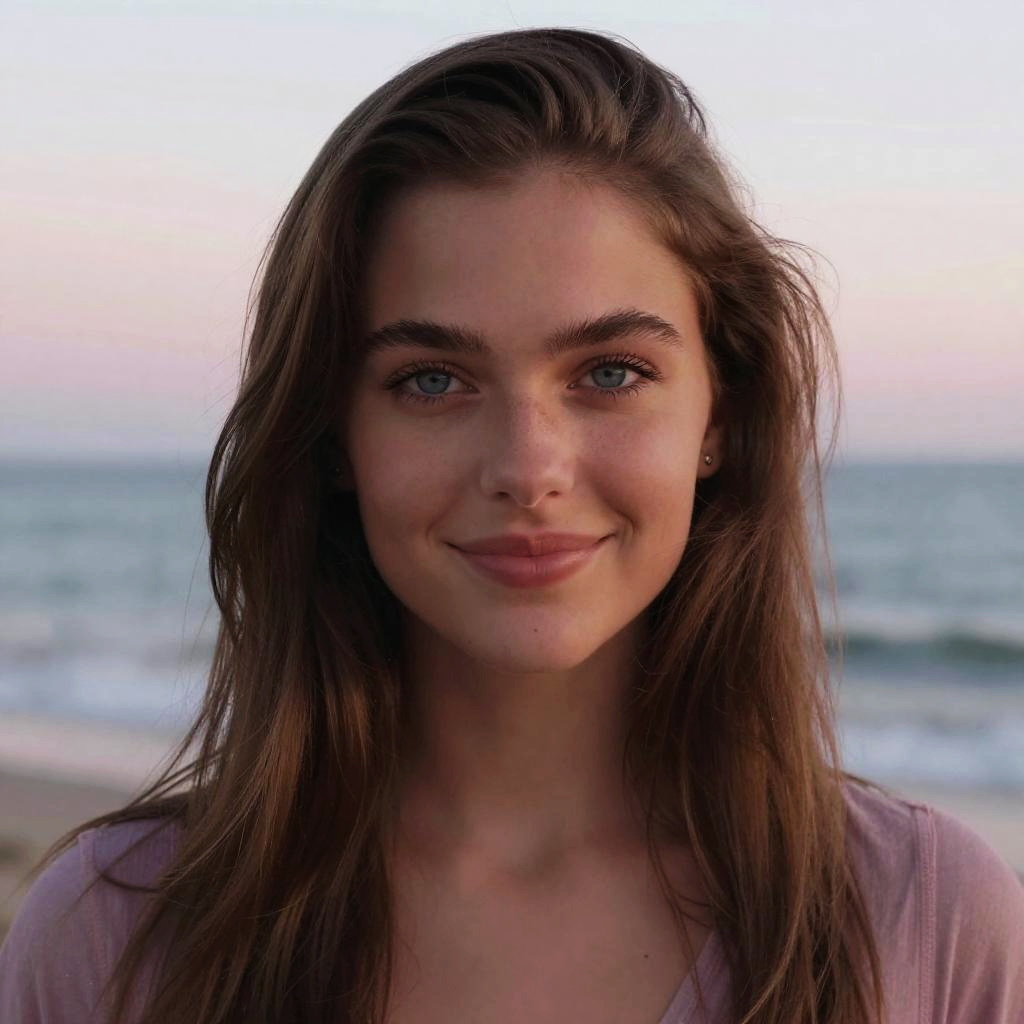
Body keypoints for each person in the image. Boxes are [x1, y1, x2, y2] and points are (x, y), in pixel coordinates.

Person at [1, 25, 1022, 1024]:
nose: (529, 469)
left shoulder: (927, 920)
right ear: (331, 437)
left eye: (610, 373)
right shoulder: (114, 933)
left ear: (722, 416)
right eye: (431, 380)